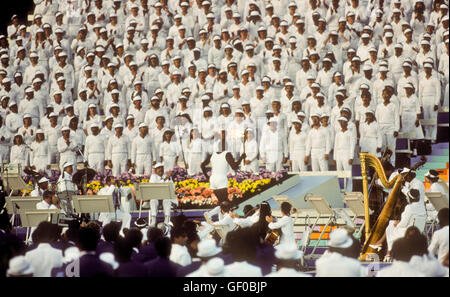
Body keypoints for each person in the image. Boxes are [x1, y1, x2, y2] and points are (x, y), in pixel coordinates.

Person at [201, 133, 246, 204]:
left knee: (215, 201)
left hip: (213, 179)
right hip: (221, 180)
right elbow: (234, 166)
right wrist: (241, 158)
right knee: (224, 202)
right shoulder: (227, 154)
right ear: (226, 146)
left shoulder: (212, 154)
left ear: (218, 146)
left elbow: (202, 165)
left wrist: (207, 177)